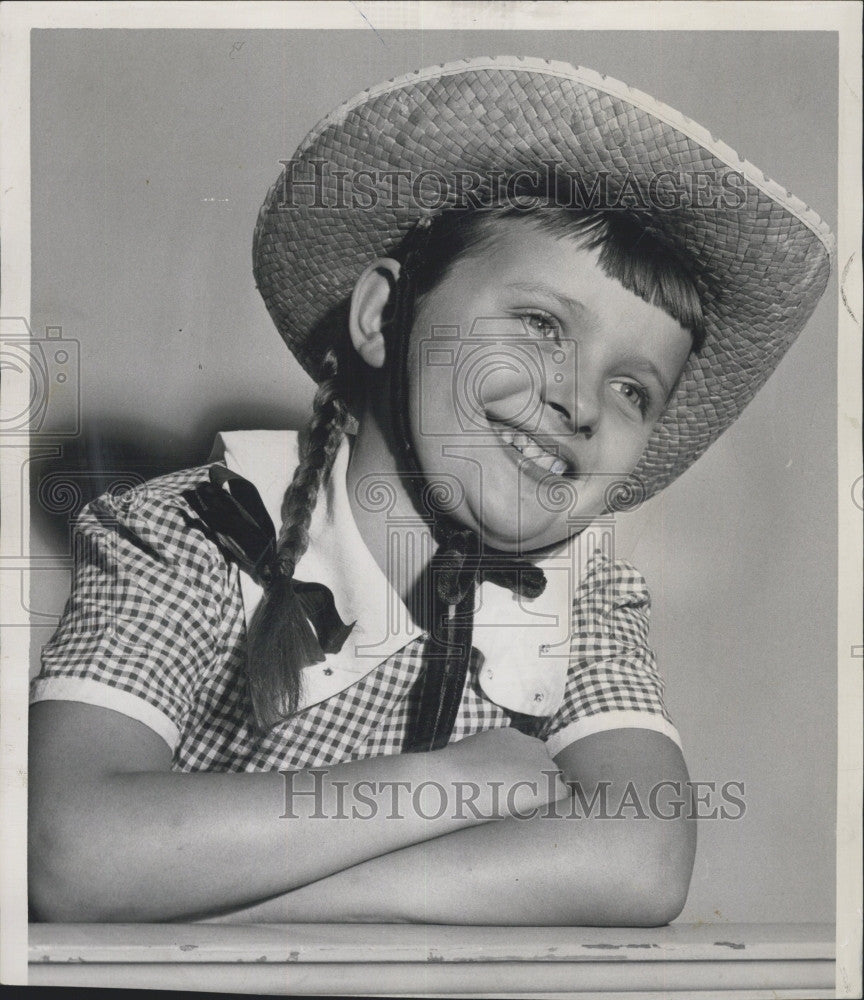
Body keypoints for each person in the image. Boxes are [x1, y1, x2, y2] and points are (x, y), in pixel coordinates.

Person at [27, 57, 833, 925]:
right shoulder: (189, 531)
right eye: (539, 325)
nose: (580, 401)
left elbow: (643, 856)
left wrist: (234, 915)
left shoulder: (580, 590)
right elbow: (69, 848)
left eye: (634, 388)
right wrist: (443, 786)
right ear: (381, 317)